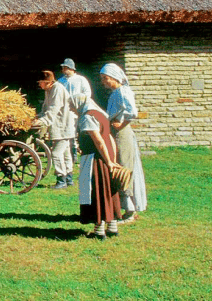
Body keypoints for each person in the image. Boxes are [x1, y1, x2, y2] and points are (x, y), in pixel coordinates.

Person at [69, 93, 122, 240]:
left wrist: (108, 160)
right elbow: (109, 137)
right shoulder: (100, 113)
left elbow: (99, 141)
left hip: (94, 159)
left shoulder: (87, 117)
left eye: (72, 105)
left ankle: (99, 230)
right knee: (109, 190)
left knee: (96, 192)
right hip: (105, 158)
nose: (71, 108)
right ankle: (112, 226)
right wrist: (112, 158)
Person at [100, 63, 147, 223]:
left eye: (106, 78)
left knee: (124, 167)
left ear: (114, 77)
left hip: (122, 134)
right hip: (115, 132)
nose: (104, 82)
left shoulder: (123, 91)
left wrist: (122, 124)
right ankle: (122, 206)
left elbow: (132, 111)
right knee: (118, 166)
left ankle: (130, 210)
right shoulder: (115, 93)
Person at [32, 70, 74, 189]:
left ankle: (61, 180)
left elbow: (54, 109)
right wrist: (38, 116)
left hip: (62, 125)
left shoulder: (57, 89)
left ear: (47, 82)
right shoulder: (49, 90)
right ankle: (69, 178)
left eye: (41, 82)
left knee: (56, 153)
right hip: (60, 125)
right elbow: (46, 107)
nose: (39, 85)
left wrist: (42, 121)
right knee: (66, 153)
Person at [58, 59, 91, 164]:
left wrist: (79, 103)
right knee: (69, 133)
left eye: (65, 68)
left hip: (78, 110)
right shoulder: (60, 81)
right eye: (63, 68)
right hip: (65, 111)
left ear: (71, 68)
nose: (63, 70)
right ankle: (71, 155)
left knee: (80, 132)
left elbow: (87, 93)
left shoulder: (81, 80)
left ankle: (81, 152)